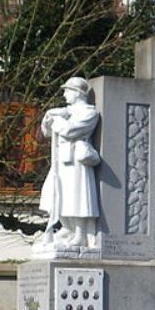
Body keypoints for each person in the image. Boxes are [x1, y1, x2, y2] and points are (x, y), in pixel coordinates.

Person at [36, 77, 101, 249]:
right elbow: (48, 132)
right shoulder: (65, 112)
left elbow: (70, 130)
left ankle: (80, 234)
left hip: (77, 161)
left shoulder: (89, 112)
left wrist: (57, 119)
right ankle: (66, 227)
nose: (64, 95)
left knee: (77, 197)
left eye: (67, 91)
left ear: (77, 93)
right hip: (60, 160)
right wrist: (48, 118)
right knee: (56, 194)